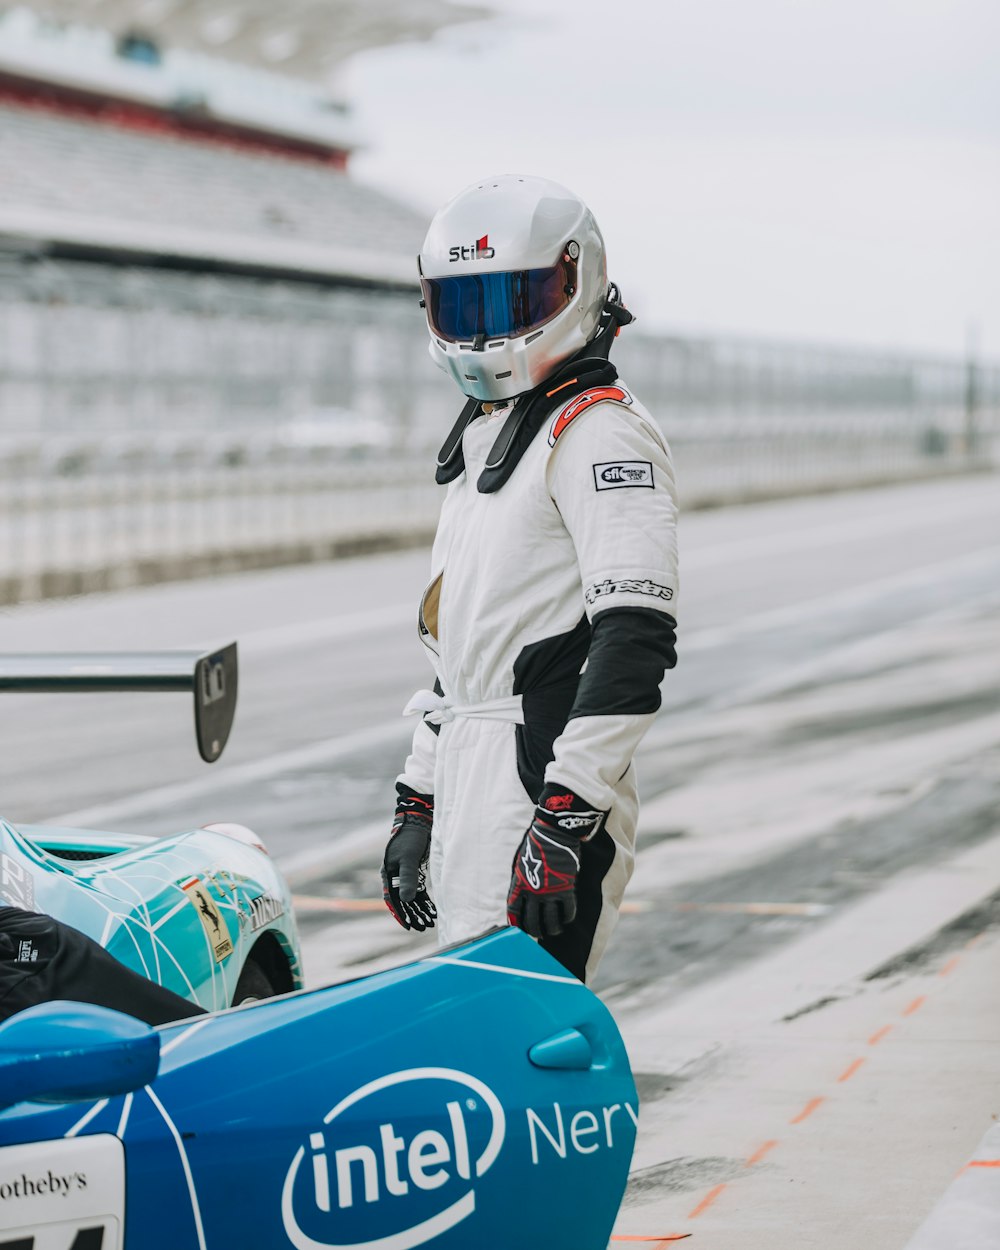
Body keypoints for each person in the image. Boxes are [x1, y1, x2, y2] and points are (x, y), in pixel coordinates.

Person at [381, 174, 679, 983]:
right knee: (475, 1037)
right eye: (463, 307)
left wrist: (567, 813)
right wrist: (418, 799)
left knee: (528, 1045)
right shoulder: (489, 439)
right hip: (479, 771)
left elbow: (635, 639)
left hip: (541, 781)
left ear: (574, 280)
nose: (484, 332)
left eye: (510, 302)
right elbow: (460, 655)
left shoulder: (600, 433)